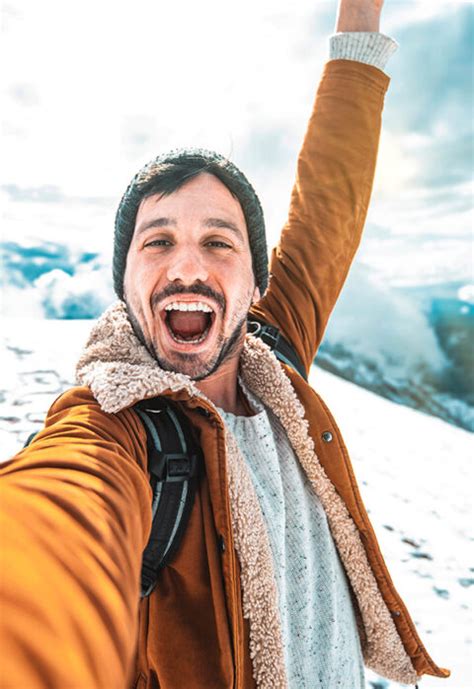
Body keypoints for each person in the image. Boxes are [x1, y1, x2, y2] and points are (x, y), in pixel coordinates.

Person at [0, 1, 450, 688]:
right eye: (158, 241)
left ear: (257, 281)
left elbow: (330, 199)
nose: (187, 266)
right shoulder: (114, 429)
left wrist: (360, 19)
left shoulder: (275, 350)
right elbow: (56, 522)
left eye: (218, 242)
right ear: (123, 283)